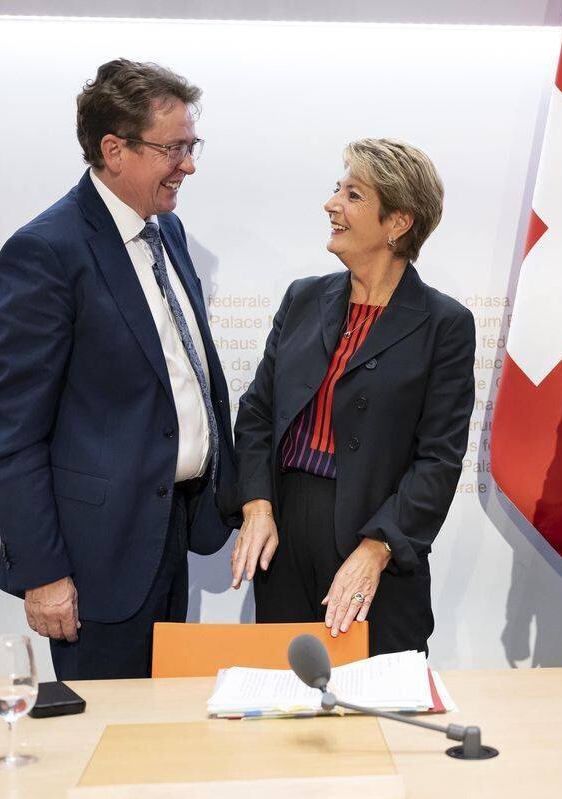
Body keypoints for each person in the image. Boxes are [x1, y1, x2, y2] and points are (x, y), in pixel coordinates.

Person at [0, 60, 238, 679]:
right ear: (113, 149)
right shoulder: (45, 252)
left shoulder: (165, 231)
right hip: (96, 562)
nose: (190, 165)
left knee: (160, 740)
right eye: (174, 148)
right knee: (101, 748)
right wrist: (42, 573)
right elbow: (11, 437)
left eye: (192, 145)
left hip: (170, 534)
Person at [230, 138, 475, 655]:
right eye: (337, 188)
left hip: (375, 536)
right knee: (285, 699)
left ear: (398, 223)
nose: (332, 204)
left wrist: (380, 546)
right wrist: (257, 505)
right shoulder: (302, 297)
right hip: (285, 533)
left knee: (378, 706)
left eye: (354, 194)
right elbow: (256, 413)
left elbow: (438, 460)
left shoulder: (445, 325)